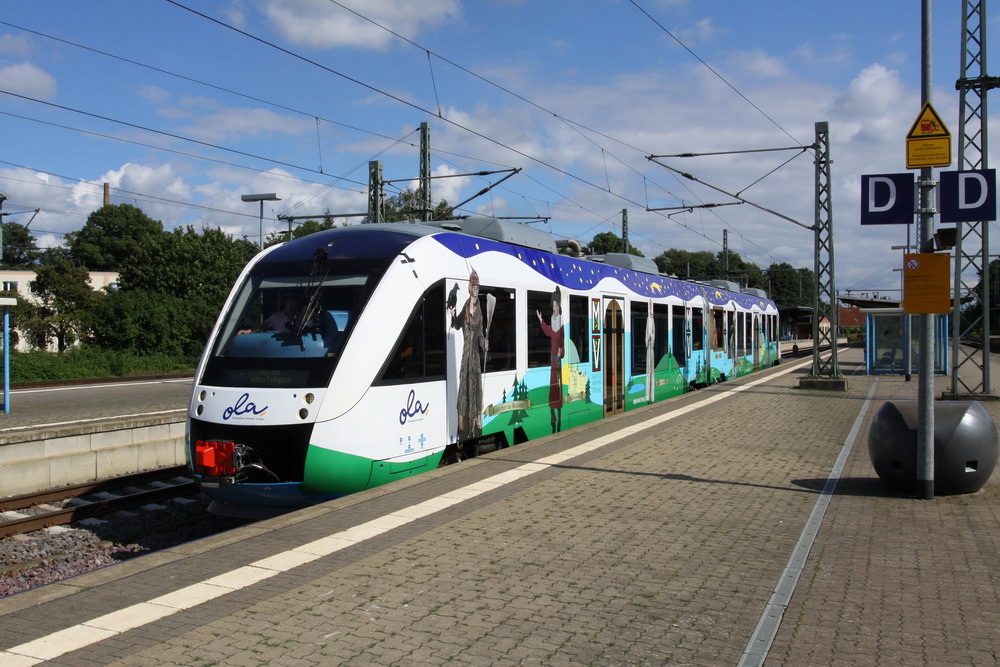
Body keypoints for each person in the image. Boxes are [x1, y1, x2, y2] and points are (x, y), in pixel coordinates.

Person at [450, 270, 487, 442]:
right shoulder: (465, 306)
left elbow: (480, 334)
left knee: (475, 391)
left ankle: (475, 427)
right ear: (470, 287)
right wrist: (453, 314)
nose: (476, 289)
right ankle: (463, 429)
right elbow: (457, 326)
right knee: (464, 392)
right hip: (465, 358)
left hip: (475, 359)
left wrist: (484, 343)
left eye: (478, 286)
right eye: (474, 286)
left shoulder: (481, 310)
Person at [536, 286, 564, 433]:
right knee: (553, 384)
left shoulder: (561, 321)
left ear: (559, 307)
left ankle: (558, 412)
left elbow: (563, 340)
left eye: (557, 305)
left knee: (557, 385)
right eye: (553, 305)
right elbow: (548, 332)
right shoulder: (553, 320)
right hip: (552, 360)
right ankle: (553, 411)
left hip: (558, 360)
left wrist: (561, 351)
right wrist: (541, 320)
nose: (555, 308)